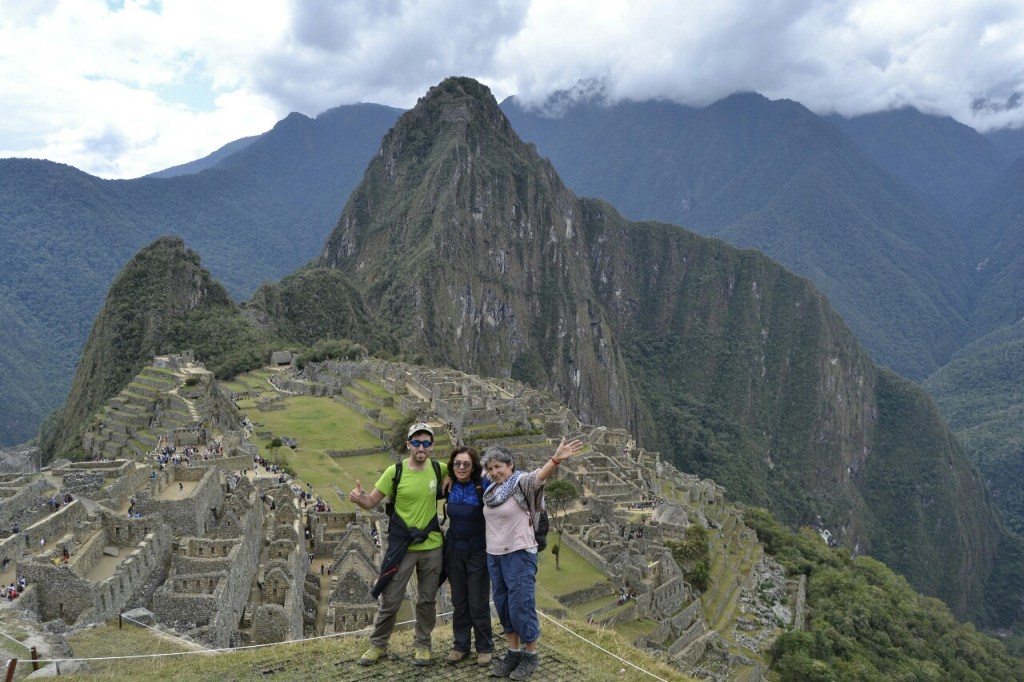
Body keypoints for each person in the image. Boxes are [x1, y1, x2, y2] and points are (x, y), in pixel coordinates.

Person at [482, 437, 583, 679]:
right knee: (504, 606)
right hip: (495, 556)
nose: (495, 472)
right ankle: (512, 652)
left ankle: (530, 655)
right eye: (491, 468)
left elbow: (539, 476)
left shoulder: (521, 484)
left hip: (519, 554)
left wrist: (556, 459)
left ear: (511, 466)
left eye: (499, 467)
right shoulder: (490, 491)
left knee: (521, 606)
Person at [349, 422, 447, 667]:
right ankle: (377, 645)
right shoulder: (395, 471)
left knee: (426, 599)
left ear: (432, 447)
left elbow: (466, 475)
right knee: (391, 599)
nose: (421, 447)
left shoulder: (439, 469)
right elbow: (371, 501)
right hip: (402, 547)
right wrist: (359, 498)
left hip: (432, 546)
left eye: (426, 443)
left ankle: (423, 645)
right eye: (416, 442)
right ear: (408, 444)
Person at [442, 446, 494, 666]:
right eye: (457, 464)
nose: (461, 467)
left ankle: (484, 647)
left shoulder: (483, 486)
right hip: (454, 550)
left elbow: (506, 478)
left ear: (473, 466)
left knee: (478, 600)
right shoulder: (448, 486)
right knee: (459, 600)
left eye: (466, 464)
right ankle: (460, 645)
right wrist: (447, 475)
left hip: (477, 550)